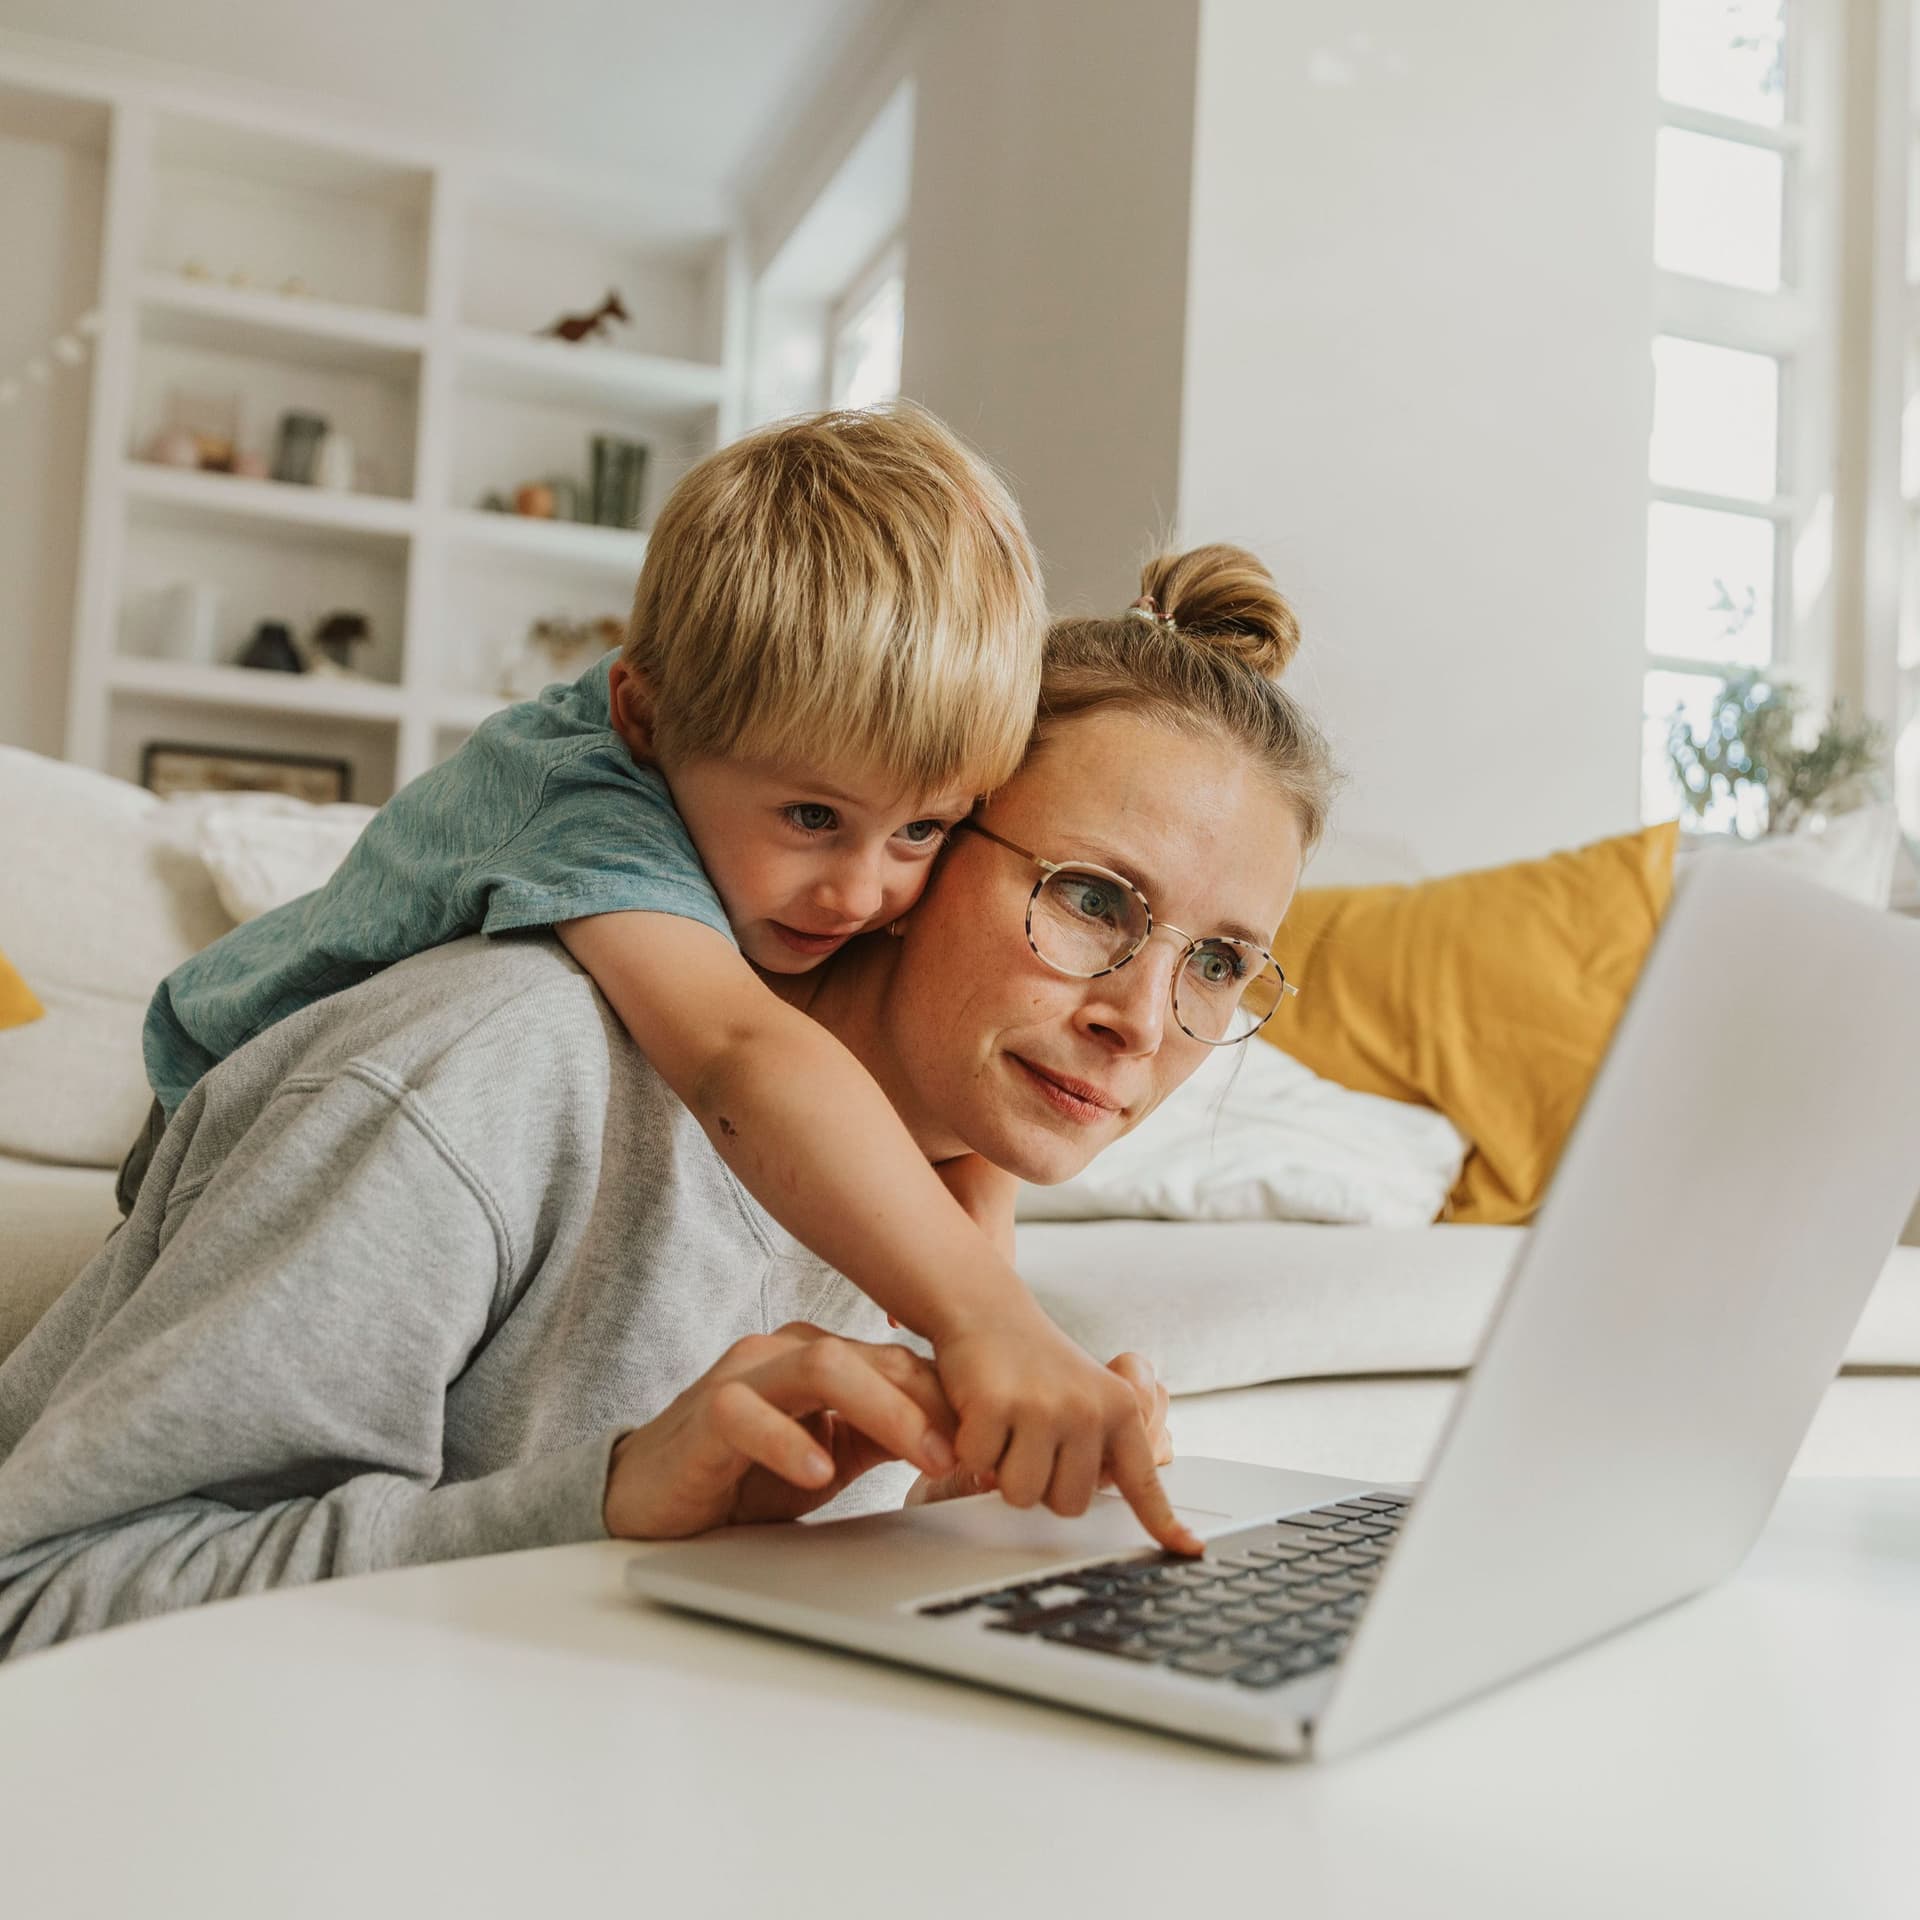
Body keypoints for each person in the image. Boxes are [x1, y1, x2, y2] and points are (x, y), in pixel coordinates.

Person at [0, 544, 1333, 1659]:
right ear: (925, 825)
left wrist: (961, 1519)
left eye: (1219, 964)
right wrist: (608, 1499)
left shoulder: (931, 1195)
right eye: (1092, 898)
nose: (1141, 1020)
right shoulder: (495, 1071)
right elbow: (38, 1598)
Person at [131, 404, 1181, 1547]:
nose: (859, 893)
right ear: (642, 716)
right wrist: (988, 1321)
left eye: (921, 831)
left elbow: (956, 1136)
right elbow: (736, 1053)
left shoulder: (751, 743)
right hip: (226, 1103)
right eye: (813, 818)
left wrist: (989, 1327)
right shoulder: (590, 803)